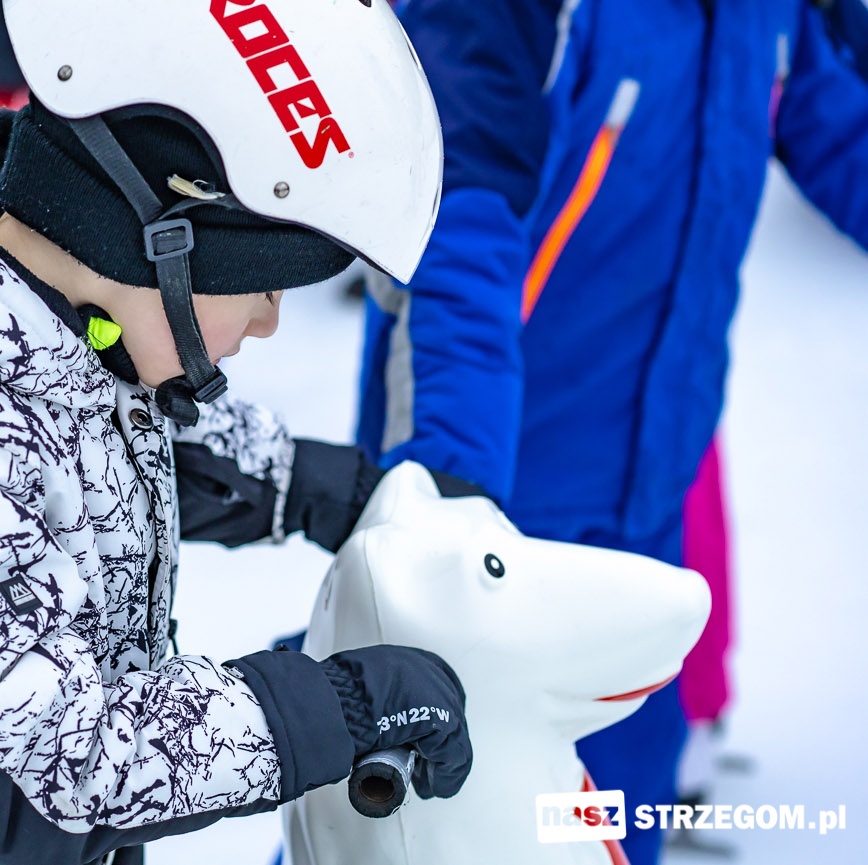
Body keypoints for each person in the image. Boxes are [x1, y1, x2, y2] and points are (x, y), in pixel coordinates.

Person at [0, 2, 479, 862]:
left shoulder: (36, 312)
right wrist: (330, 710)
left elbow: (92, 444)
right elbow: (44, 774)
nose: (268, 322)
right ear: (159, 244)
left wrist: (325, 488)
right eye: (265, 283)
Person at [356, 1, 868, 863]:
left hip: (646, 516)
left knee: (613, 822)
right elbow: (453, 223)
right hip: (492, 514)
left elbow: (844, 136)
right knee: (420, 823)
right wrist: (454, 509)